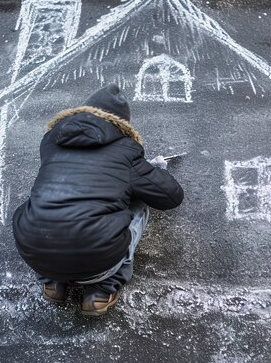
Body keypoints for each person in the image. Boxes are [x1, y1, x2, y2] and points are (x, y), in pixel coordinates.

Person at [12, 84, 184, 316]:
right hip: (95, 261)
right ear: (121, 124)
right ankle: (101, 291)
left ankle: (53, 282)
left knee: (43, 203)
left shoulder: (51, 142)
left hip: (35, 254)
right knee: (140, 205)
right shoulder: (125, 150)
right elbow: (171, 197)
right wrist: (150, 172)